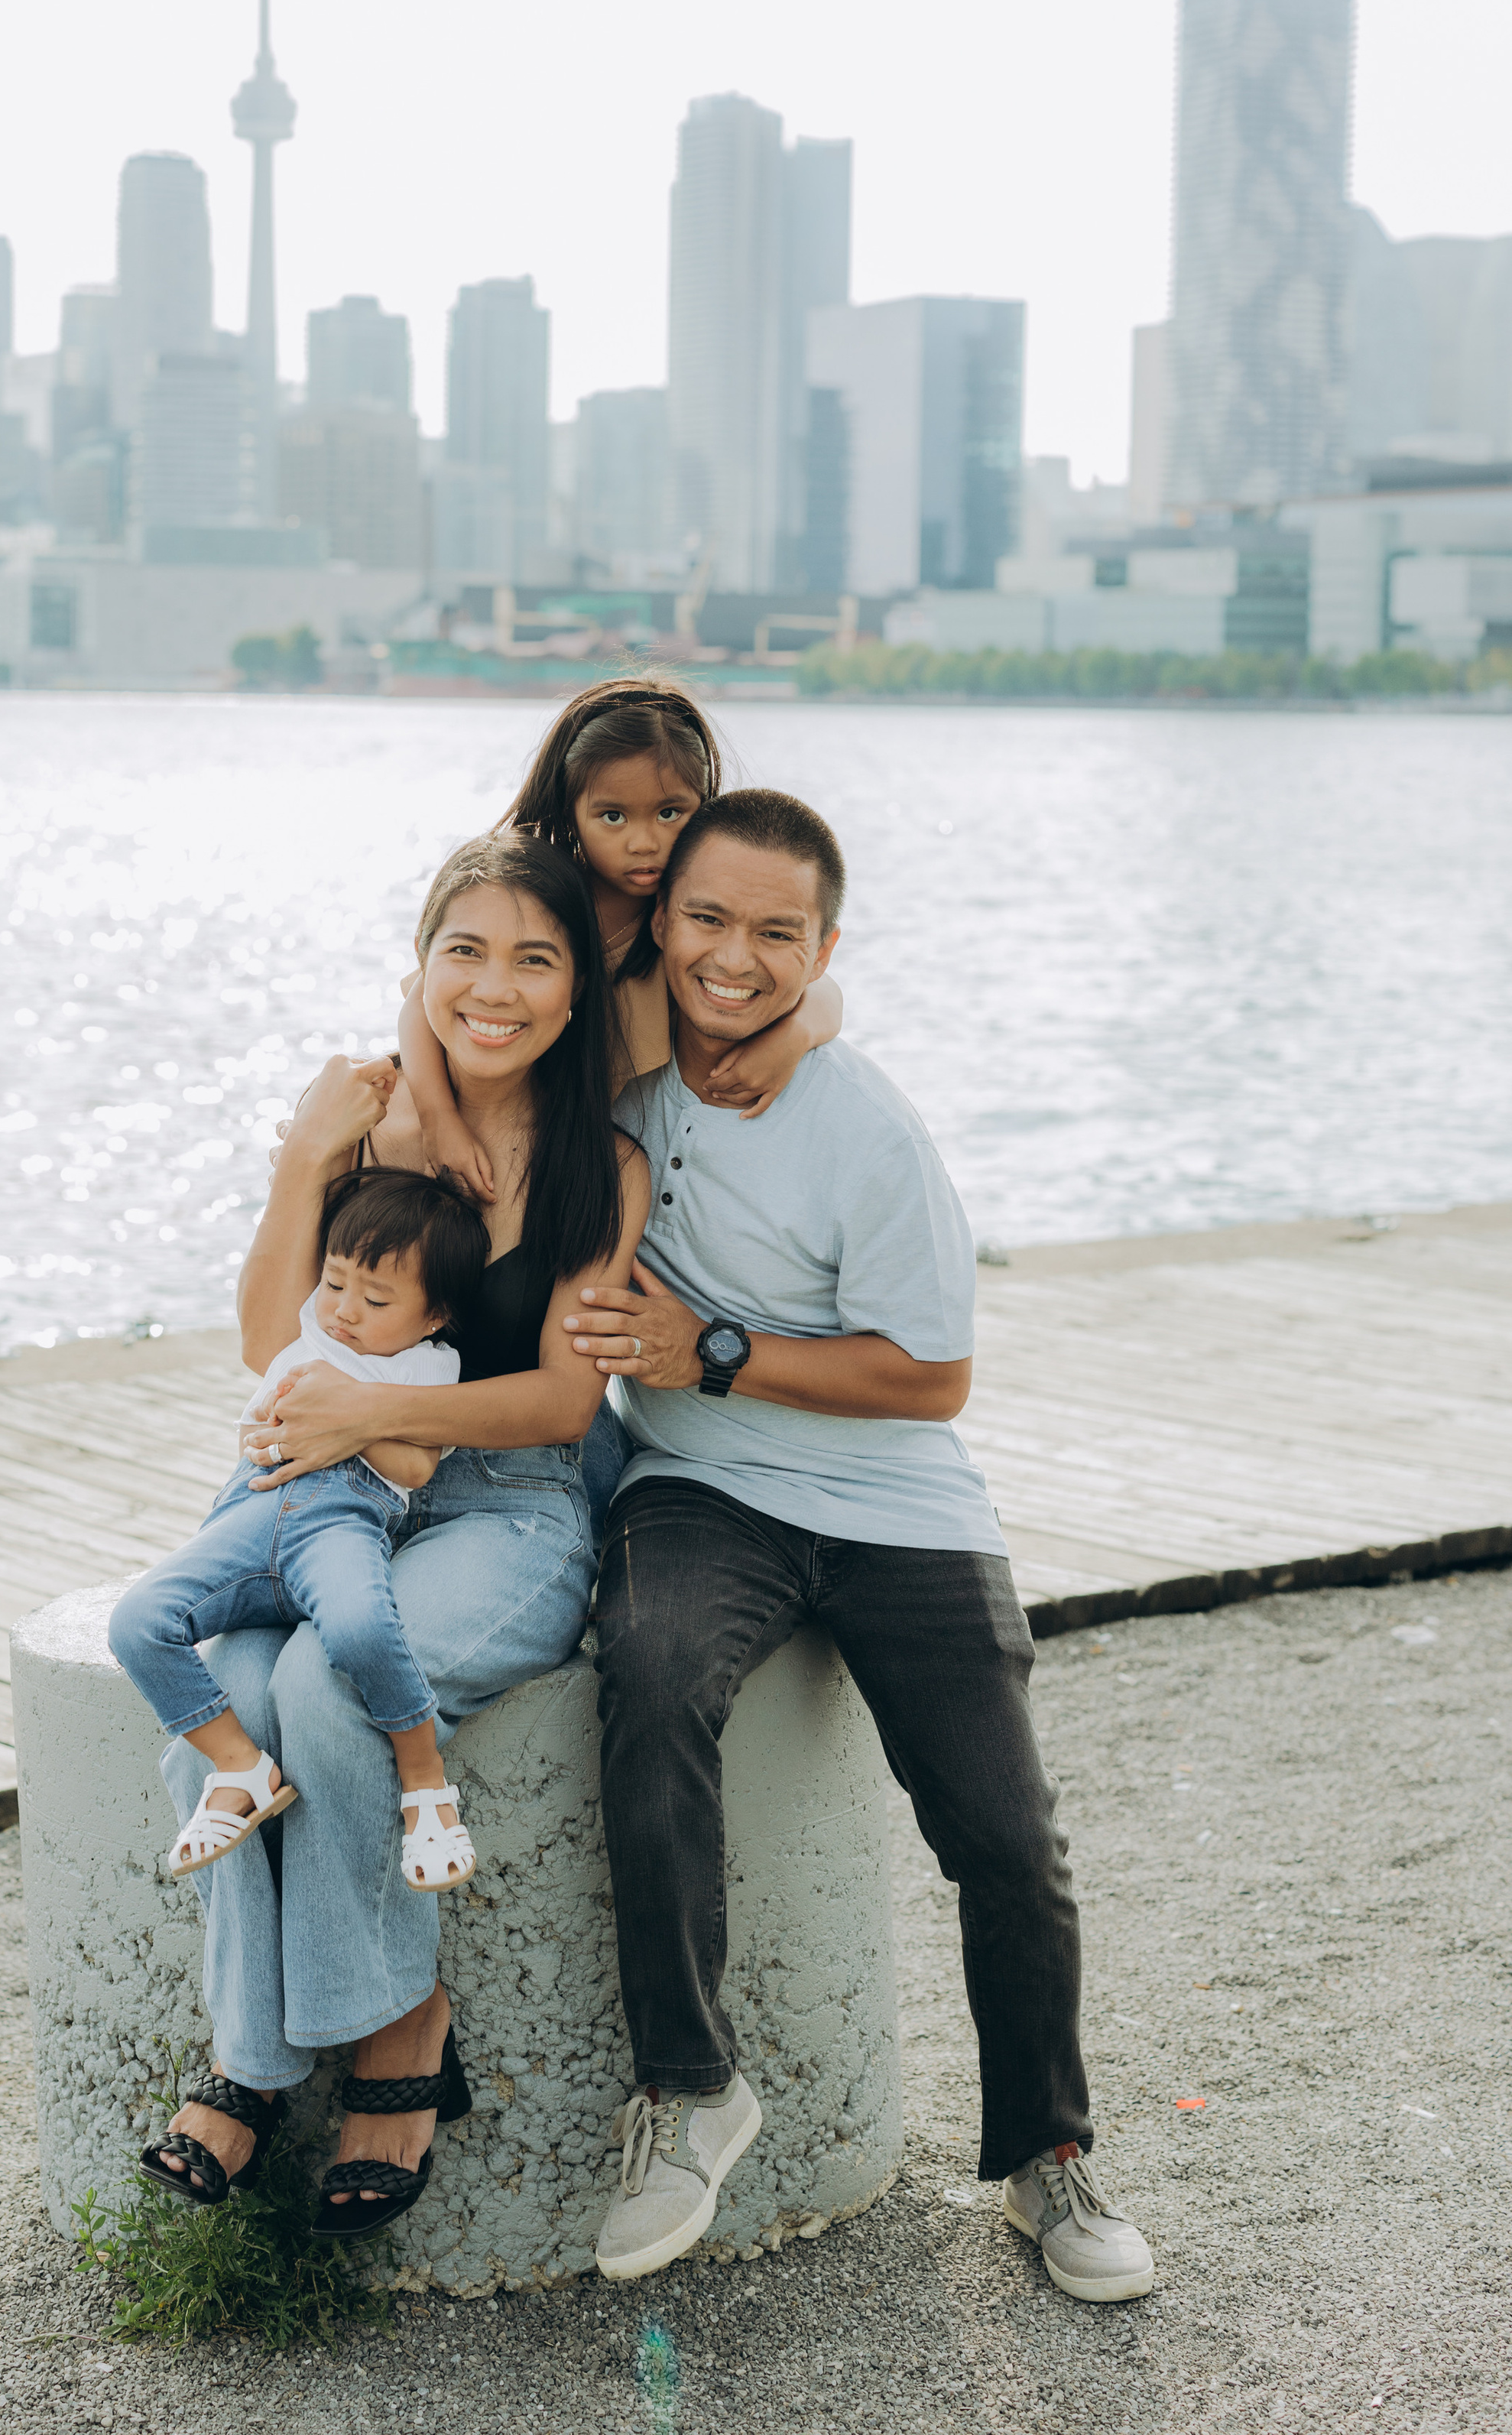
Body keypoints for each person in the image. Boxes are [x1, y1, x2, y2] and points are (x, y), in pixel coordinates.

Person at [569, 787, 1155, 2304]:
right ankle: (689, 2089)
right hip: (697, 1489)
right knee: (643, 1672)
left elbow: (929, 1375)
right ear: (660, 923)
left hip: (894, 1497)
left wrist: (708, 1348)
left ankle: (1047, 2159)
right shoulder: (616, 1073)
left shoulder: (866, 1126)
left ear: (825, 946)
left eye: (777, 935)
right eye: (705, 920)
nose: (734, 959)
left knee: (1005, 1837)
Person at [133, 830, 654, 2235]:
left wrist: (372, 1416)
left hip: (512, 1501)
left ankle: (402, 2025)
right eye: (464, 952)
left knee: (325, 1680)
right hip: (322, 1484)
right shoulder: (364, 1122)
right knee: (231, 1687)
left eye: (536, 960)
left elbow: (557, 1400)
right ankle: (250, 2052)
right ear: (420, 969)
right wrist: (302, 1161)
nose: (496, 988)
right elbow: (268, 1339)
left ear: (574, 993)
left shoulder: (601, 1164)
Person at [107, 1167, 492, 1914]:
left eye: (376, 1300)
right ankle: (239, 1768)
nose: (345, 1311)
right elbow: (258, 1415)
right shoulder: (307, 1330)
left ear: (434, 1314)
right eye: (336, 1282)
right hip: (251, 1508)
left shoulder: (426, 1369)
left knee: (361, 1626)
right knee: (138, 1621)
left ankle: (424, 1785)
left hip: (339, 1518)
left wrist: (355, 1415)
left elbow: (414, 1467)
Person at [399, 677, 845, 1201]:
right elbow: (420, 1003)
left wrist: (790, 1039)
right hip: (477, 1124)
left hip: (575, 1156)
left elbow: (822, 989)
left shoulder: (694, 926)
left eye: (670, 813)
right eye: (613, 817)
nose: (644, 842)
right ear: (572, 812)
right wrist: (438, 1119)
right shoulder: (537, 897)